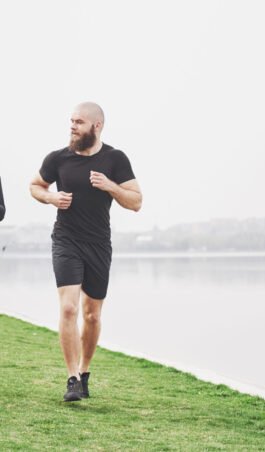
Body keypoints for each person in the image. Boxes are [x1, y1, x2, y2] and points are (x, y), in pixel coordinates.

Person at [30, 102, 142, 402]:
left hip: (98, 244)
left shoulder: (115, 159)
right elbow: (35, 186)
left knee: (92, 315)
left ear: (97, 126)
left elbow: (136, 202)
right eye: (71, 121)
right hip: (66, 240)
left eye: (79, 122)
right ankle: (71, 379)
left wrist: (110, 187)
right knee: (68, 308)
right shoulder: (58, 158)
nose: (72, 126)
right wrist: (51, 197)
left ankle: (85, 371)